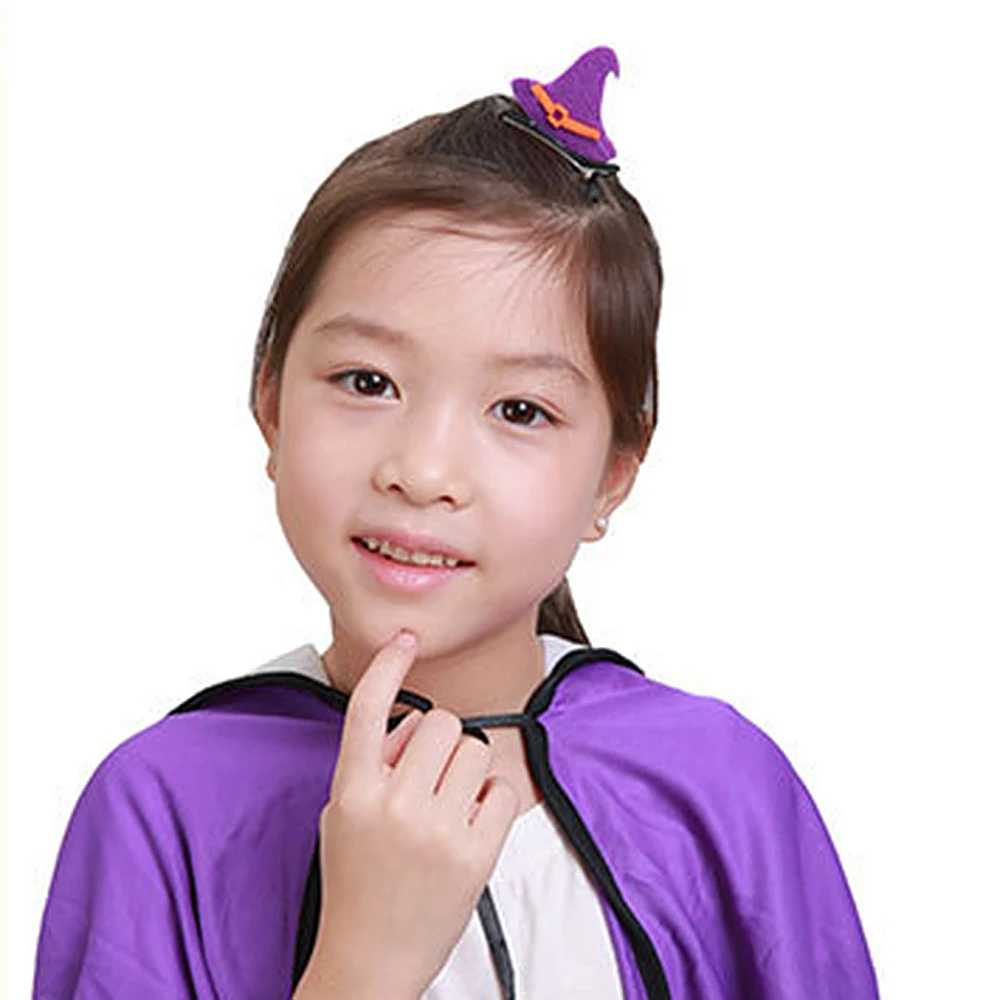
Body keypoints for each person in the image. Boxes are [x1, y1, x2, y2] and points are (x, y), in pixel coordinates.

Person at [32, 46, 879, 1000]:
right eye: (367, 382)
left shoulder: (721, 787)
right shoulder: (164, 804)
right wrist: (363, 963)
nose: (424, 471)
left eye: (520, 410)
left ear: (613, 474)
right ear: (270, 404)